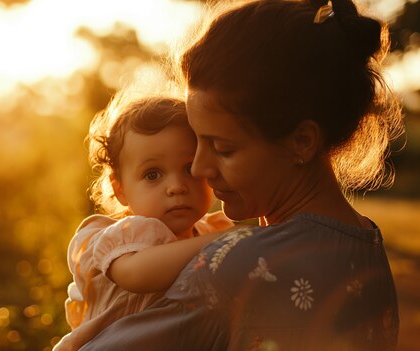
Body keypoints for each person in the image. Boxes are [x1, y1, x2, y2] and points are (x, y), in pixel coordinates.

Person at [78, 0, 404, 350]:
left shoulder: (239, 263)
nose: (200, 169)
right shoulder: (367, 248)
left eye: (222, 148)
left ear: (302, 142)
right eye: (197, 143)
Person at [54, 95, 234, 351]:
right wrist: (225, 241)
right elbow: (136, 274)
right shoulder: (125, 235)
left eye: (188, 167)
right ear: (121, 190)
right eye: (153, 175)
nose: (176, 186)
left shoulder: (209, 229)